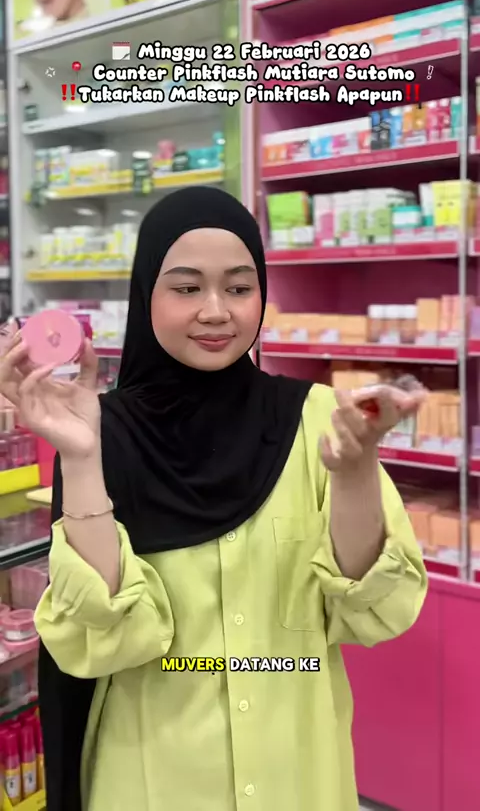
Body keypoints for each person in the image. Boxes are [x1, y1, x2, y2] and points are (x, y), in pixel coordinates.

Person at [0, 187, 428, 811]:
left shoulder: (315, 418)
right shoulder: (98, 429)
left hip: (295, 772)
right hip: (153, 778)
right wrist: (83, 458)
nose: (216, 311)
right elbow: (103, 641)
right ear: (146, 293)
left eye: (239, 287)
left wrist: (356, 472)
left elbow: (371, 612)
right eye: (186, 287)